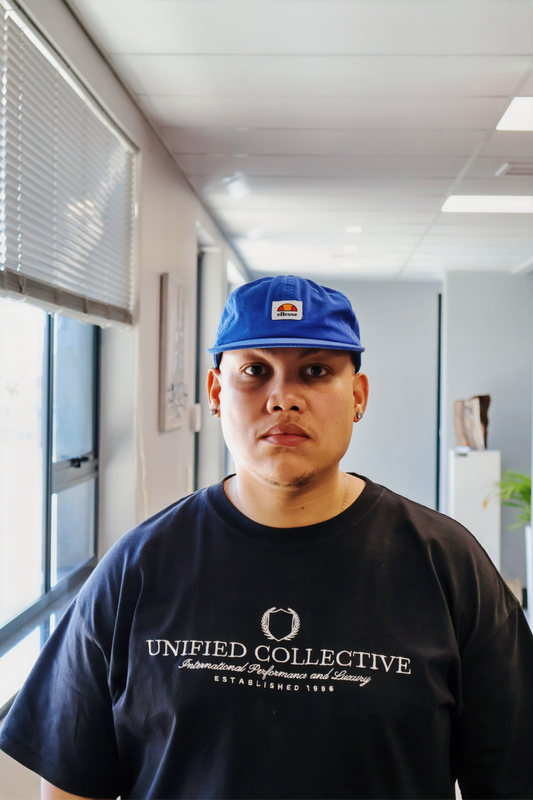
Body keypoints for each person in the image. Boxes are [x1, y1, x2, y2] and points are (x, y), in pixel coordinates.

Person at [1, 274, 533, 800]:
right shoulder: (137, 568)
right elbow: (72, 785)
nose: (283, 398)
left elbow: (512, 775)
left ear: (358, 396)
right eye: (255, 371)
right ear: (215, 392)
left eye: (315, 371)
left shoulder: (448, 566)